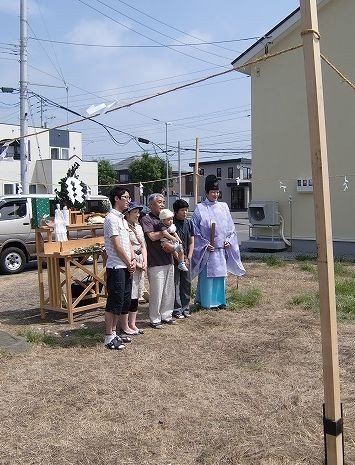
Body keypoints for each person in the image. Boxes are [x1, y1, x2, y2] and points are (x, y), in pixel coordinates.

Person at [191, 175, 245, 309]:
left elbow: (230, 228)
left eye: (217, 192)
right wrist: (204, 244)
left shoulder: (224, 207)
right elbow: (195, 230)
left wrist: (228, 241)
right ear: (207, 193)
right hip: (207, 250)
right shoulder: (200, 208)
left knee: (220, 276)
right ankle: (206, 302)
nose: (215, 195)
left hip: (221, 248)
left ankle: (220, 301)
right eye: (212, 192)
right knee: (207, 278)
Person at [103, 187, 136, 350]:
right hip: (116, 266)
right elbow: (116, 245)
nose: (128, 200)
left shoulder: (123, 219)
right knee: (114, 302)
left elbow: (127, 242)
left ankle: (115, 333)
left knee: (123, 302)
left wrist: (133, 259)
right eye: (125, 197)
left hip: (126, 265)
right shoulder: (110, 219)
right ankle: (109, 336)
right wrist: (128, 261)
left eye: (129, 197)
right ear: (116, 198)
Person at [141, 193, 176, 328]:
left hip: (168, 259)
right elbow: (152, 237)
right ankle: (155, 319)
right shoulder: (147, 219)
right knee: (157, 292)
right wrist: (166, 232)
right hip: (155, 261)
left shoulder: (167, 218)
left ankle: (166, 315)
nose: (162, 204)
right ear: (151, 205)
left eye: (163, 202)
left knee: (168, 290)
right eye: (159, 202)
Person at [124, 201, 147, 335]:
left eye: (138, 212)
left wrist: (145, 261)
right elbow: (126, 246)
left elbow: (143, 245)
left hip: (140, 259)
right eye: (134, 212)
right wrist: (136, 263)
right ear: (127, 214)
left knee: (137, 294)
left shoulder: (138, 226)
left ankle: (132, 323)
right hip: (131, 261)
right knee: (130, 294)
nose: (137, 215)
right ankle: (125, 324)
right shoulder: (124, 227)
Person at [172, 199, 194, 319]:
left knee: (186, 283)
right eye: (182, 210)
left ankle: (186, 308)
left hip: (186, 259)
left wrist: (189, 257)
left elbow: (191, 241)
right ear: (176, 211)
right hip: (175, 258)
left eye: (186, 210)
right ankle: (177, 309)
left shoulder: (189, 223)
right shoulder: (171, 223)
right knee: (176, 283)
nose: (185, 212)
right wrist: (180, 259)